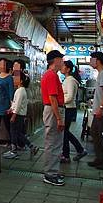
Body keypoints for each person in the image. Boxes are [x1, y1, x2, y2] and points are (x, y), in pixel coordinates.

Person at [41, 50, 66, 186]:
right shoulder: (51, 75)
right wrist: (58, 118)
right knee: (53, 142)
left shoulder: (52, 75)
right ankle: (50, 174)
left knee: (55, 142)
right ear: (55, 60)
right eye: (61, 59)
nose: (62, 62)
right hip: (53, 111)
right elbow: (52, 98)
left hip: (52, 110)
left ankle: (53, 171)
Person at [3, 66, 39, 160]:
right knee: (18, 133)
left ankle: (14, 151)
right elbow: (15, 104)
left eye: (16, 78)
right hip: (18, 114)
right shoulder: (20, 90)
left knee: (14, 133)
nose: (14, 80)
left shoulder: (20, 91)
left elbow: (18, 105)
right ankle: (31, 147)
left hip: (18, 115)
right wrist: (10, 109)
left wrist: (13, 115)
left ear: (21, 81)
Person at [60, 60, 87, 163]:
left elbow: (70, 97)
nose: (61, 67)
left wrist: (61, 101)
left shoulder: (70, 80)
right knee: (65, 132)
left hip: (68, 108)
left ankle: (69, 154)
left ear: (68, 69)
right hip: (67, 108)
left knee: (64, 132)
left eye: (63, 66)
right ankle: (73, 152)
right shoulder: (67, 79)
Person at [0, 58, 14, 140]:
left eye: (3, 64)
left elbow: (11, 92)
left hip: (5, 106)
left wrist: (12, 106)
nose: (0, 66)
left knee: (8, 125)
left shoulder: (9, 78)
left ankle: (12, 144)